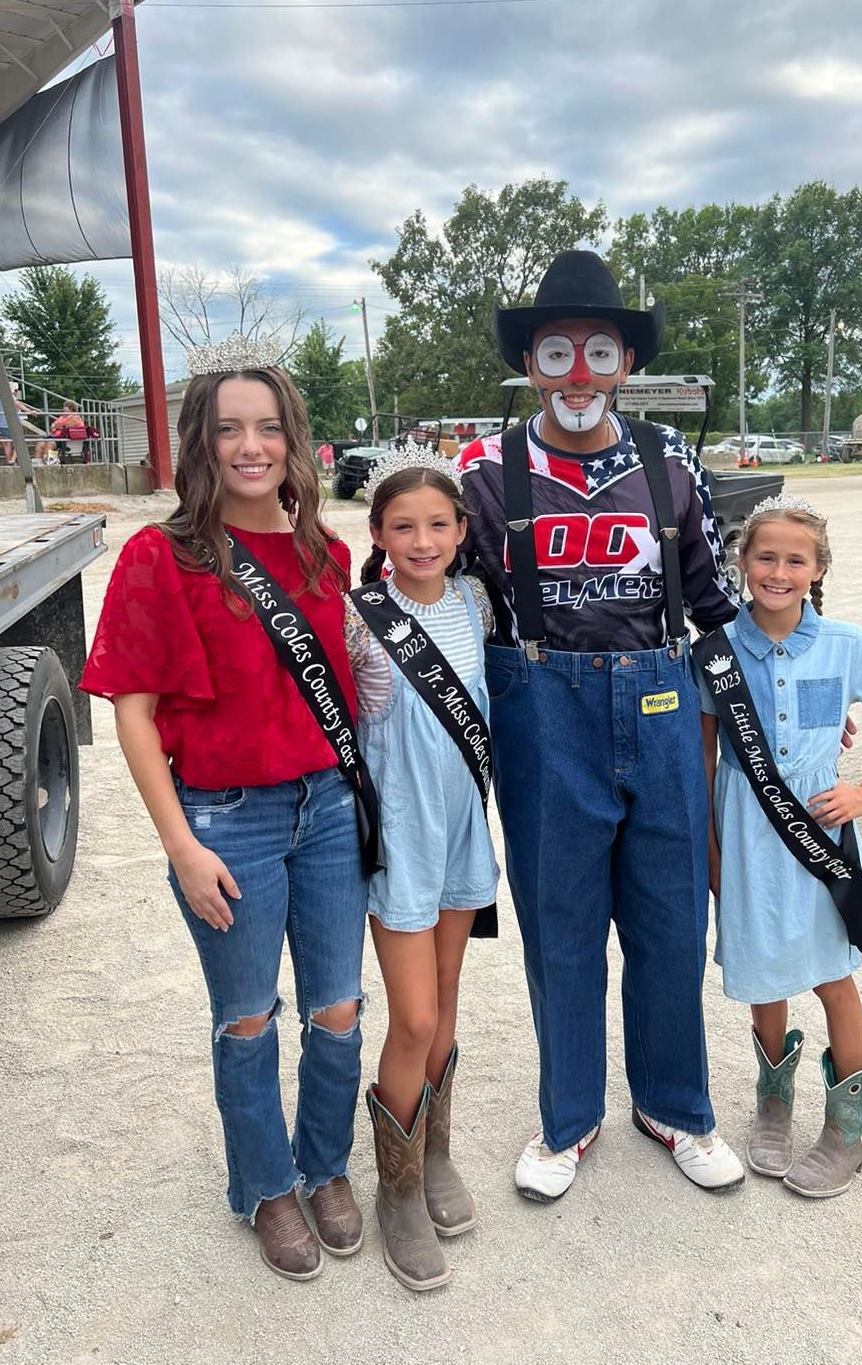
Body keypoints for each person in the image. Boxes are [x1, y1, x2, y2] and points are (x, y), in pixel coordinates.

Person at [458, 249, 746, 1202]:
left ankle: (675, 1106)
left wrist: (791, 707)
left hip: (661, 699)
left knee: (670, 916)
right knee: (561, 921)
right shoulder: (487, 473)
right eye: (556, 352)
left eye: (596, 351)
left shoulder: (671, 460)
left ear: (625, 362)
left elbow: (715, 606)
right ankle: (568, 1117)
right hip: (545, 707)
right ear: (531, 365)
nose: (577, 372)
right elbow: (439, 591)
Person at [80, 337, 369, 1281]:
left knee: (337, 1007)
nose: (252, 446)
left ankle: (325, 1165)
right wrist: (179, 843)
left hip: (326, 807)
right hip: (225, 819)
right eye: (230, 429)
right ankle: (266, 1186)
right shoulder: (161, 557)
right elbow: (133, 711)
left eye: (269, 427)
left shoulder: (327, 551)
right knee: (248, 1016)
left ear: (294, 441)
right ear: (201, 444)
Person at [696, 495, 862, 1197]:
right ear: (743, 563)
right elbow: (702, 762)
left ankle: (851, 1128)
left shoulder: (846, 644)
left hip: (822, 833)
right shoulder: (716, 651)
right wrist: (712, 857)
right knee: (766, 972)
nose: (779, 571)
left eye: (796, 559)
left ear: (818, 568)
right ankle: (773, 1101)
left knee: (831, 973)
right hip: (745, 825)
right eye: (766, 556)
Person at [344, 447, 498, 1291]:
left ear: (461, 530)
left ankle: (432, 1155)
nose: (423, 538)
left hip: (461, 828)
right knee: (409, 1018)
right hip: (399, 832)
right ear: (377, 533)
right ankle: (395, 1192)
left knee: (443, 1009)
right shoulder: (355, 615)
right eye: (403, 525)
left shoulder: (477, 602)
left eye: (438, 524)